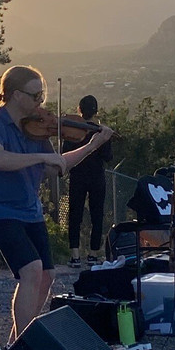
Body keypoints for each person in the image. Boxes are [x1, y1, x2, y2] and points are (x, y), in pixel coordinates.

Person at [0, 65, 113, 342]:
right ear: (15, 95)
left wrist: (92, 145)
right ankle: (26, 345)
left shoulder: (35, 127)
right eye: (35, 95)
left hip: (28, 209)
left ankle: (17, 342)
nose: (41, 102)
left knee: (47, 275)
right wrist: (40, 157)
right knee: (31, 270)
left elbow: (55, 166)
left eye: (42, 95)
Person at [64, 95, 113, 268]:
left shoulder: (72, 130)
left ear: (79, 109)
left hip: (77, 176)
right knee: (97, 215)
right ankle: (93, 254)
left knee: (75, 215)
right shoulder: (101, 132)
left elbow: (65, 153)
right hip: (96, 177)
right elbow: (108, 157)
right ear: (96, 111)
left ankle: (75, 256)